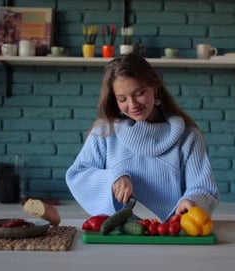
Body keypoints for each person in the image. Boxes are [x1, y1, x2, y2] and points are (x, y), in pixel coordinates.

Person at [65, 53, 219, 221]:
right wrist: (114, 177)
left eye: (139, 93)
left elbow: (203, 187)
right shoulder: (104, 132)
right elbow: (77, 175)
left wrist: (191, 201)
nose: (132, 105)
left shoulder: (188, 136)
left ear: (155, 87)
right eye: (122, 98)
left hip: (172, 233)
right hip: (118, 236)